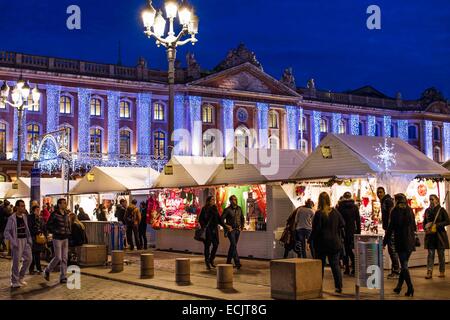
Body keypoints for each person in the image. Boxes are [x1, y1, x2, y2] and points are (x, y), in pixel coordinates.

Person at [308, 192, 345, 294]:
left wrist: (309, 241)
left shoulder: (319, 214)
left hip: (322, 244)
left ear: (319, 200)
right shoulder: (335, 212)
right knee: (335, 265)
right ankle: (338, 287)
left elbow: (316, 230)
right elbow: (342, 224)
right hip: (335, 243)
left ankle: (318, 286)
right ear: (329, 200)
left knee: (320, 266)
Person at [384, 193, 416, 297]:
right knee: (404, 265)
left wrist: (384, 242)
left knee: (404, 266)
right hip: (410, 242)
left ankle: (410, 287)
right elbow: (414, 227)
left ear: (396, 201)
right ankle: (398, 287)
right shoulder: (410, 210)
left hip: (401, 242)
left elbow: (390, 229)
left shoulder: (395, 211)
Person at [4, 200, 33, 288]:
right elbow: (6, 232)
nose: (23, 207)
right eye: (21, 206)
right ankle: (14, 281)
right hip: (17, 241)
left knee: (29, 259)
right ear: (16, 207)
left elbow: (26, 229)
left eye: (24, 206)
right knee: (16, 262)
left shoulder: (24, 216)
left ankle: (20, 277)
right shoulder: (11, 218)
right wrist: (13, 241)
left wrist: (29, 240)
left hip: (25, 241)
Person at [44, 198, 71, 284]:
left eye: (65, 203)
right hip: (57, 238)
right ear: (59, 204)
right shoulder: (54, 214)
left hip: (65, 238)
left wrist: (68, 231)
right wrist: (55, 231)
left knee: (64, 258)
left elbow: (68, 224)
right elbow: (48, 225)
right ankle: (47, 270)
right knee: (58, 257)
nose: (65, 204)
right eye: (63, 203)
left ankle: (63, 276)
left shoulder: (66, 214)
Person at [423, 194, 450, 279]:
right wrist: (426, 227)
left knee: (441, 254)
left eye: (432, 199)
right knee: (430, 254)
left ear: (437, 200)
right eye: (430, 199)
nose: (431, 201)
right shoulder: (427, 210)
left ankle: (442, 271)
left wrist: (437, 225)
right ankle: (429, 272)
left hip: (439, 236)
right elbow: (424, 222)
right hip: (430, 236)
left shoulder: (441, 210)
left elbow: (448, 221)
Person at [377, 187, 400, 279]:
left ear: (384, 192)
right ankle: (395, 270)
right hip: (389, 228)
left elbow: (391, 215)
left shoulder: (387, 201)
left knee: (392, 249)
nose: (379, 194)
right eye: (378, 192)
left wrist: (390, 227)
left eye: (380, 192)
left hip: (391, 229)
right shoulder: (384, 201)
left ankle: (396, 271)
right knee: (391, 250)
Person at [338, 192, 361, 276]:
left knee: (345, 250)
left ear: (343, 197)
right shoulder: (355, 207)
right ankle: (354, 268)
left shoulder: (340, 207)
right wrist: (358, 232)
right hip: (352, 231)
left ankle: (347, 268)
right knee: (351, 250)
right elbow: (358, 220)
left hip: (343, 230)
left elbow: (338, 220)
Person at [199, 196, 224, 269]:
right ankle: (207, 262)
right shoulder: (204, 209)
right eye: (212, 200)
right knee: (207, 246)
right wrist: (204, 227)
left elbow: (219, 219)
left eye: (214, 200)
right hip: (208, 230)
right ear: (209, 201)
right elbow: (200, 219)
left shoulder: (215, 209)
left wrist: (225, 226)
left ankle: (211, 259)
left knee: (216, 244)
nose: (214, 201)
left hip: (214, 230)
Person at [221, 195, 245, 269]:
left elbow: (242, 218)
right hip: (230, 231)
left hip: (237, 230)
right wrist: (227, 226)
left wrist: (242, 226)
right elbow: (221, 220)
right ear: (230, 201)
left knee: (232, 246)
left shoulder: (239, 209)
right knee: (234, 245)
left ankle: (228, 262)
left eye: (236, 199)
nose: (235, 201)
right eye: (233, 199)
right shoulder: (227, 210)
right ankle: (237, 263)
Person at [27, 205, 47, 275]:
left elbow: (44, 227)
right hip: (33, 237)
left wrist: (45, 235)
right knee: (32, 254)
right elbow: (29, 228)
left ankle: (39, 268)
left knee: (37, 253)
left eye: (39, 210)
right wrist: (37, 231)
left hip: (39, 238)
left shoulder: (40, 218)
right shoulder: (30, 217)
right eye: (37, 210)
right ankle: (31, 269)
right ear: (33, 210)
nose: (38, 211)